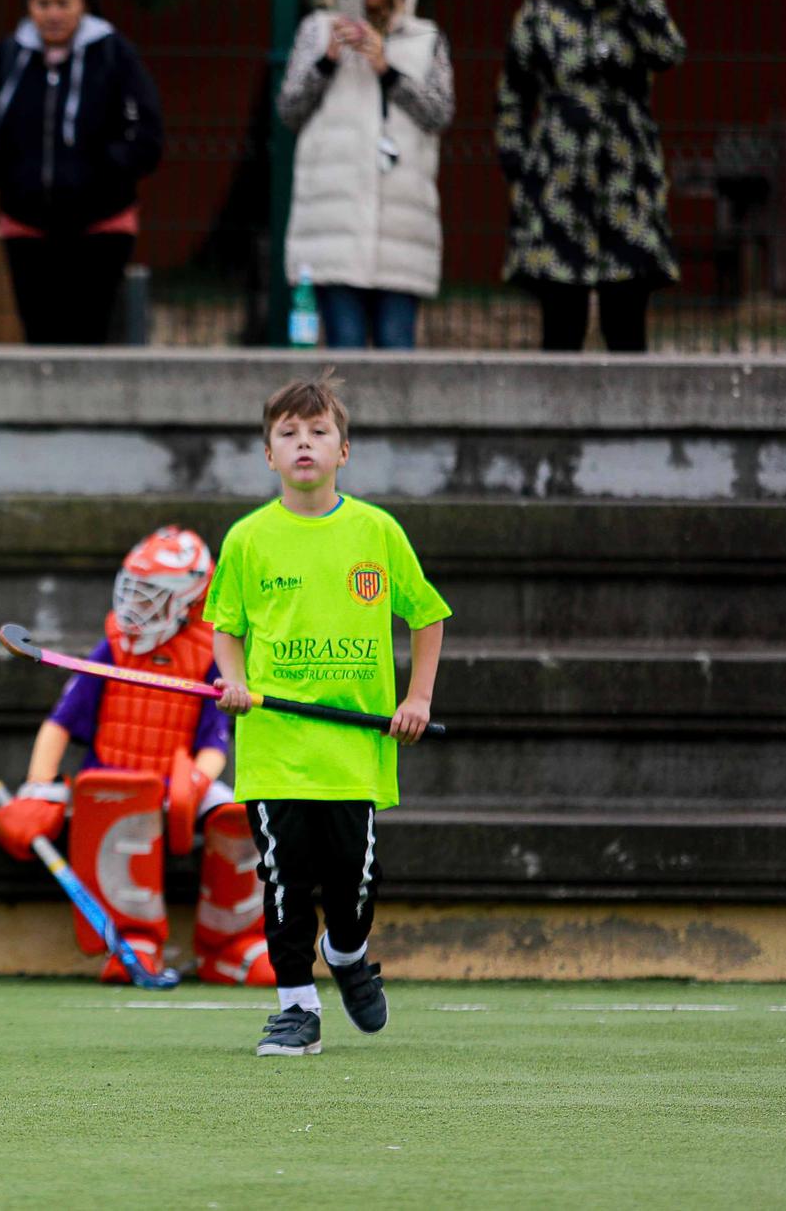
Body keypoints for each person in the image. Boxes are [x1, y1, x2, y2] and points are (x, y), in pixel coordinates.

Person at [205, 373, 448, 1057]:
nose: (303, 443)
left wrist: (417, 697)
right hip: (275, 745)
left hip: (354, 751)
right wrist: (233, 680)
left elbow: (426, 617)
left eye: (318, 432)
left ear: (344, 451)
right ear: (268, 453)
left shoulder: (377, 531)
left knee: (353, 883)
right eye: (288, 433)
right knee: (284, 879)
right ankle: (295, 1005)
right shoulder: (248, 539)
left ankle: (347, 953)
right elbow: (225, 626)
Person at [0, 527, 273, 986]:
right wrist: (38, 787)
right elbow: (60, 723)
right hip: (114, 783)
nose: (136, 606)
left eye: (152, 595)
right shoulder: (114, 648)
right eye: (134, 592)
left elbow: (214, 744)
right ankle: (134, 938)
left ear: (189, 600)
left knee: (241, 815)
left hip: (177, 779)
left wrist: (193, 788)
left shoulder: (210, 654)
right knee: (127, 804)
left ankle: (232, 946)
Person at [497, 0, 685, 352]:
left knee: (626, 322)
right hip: (559, 189)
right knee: (562, 325)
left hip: (627, 189)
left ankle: (635, 420)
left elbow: (670, 52)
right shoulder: (541, 14)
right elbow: (512, 96)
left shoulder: (642, 9)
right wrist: (519, 169)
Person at [0, 0, 165, 346]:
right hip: (26, 221)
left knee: (89, 330)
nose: (53, 13)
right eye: (43, 3)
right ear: (29, 7)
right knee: (39, 331)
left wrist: (106, 171)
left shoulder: (114, 57)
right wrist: (1, 170)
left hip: (102, 222)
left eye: (63, 3)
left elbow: (147, 134)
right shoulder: (5, 59)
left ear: (83, 4)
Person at [278, 0, 452, 350]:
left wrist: (386, 67)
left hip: (402, 225)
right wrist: (328, 60)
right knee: (345, 354)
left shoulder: (424, 38)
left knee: (398, 352)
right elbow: (289, 109)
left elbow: (438, 113)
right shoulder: (317, 31)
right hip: (333, 223)